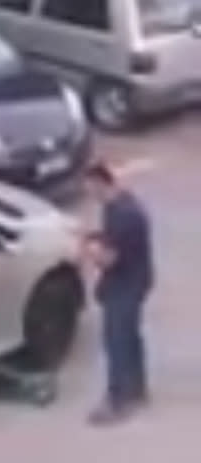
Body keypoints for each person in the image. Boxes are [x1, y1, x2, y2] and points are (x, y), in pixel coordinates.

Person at [84, 162, 154, 425]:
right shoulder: (121, 205)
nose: (90, 194)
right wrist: (96, 236)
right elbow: (112, 239)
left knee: (116, 341)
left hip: (125, 284)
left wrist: (87, 250)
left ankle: (117, 400)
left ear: (102, 184)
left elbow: (109, 259)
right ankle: (137, 388)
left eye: (91, 189)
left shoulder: (123, 216)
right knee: (131, 336)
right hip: (137, 279)